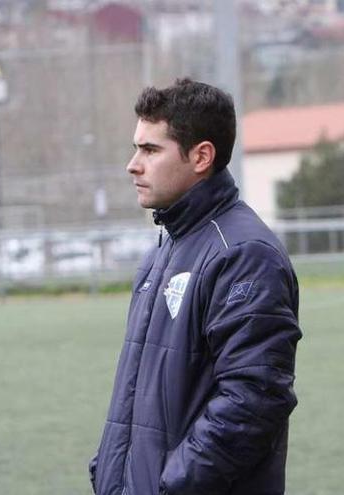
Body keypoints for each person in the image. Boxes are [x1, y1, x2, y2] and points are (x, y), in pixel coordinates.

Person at [89, 78, 302, 495]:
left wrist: (171, 486)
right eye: (136, 148)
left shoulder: (242, 254)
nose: (133, 164)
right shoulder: (167, 246)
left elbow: (253, 399)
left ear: (202, 156)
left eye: (150, 150)